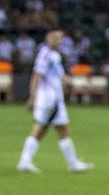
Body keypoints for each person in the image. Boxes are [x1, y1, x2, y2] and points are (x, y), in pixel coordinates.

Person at [16, 29, 92, 173]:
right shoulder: (45, 55)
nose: (58, 41)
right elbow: (36, 75)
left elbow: (61, 76)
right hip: (49, 99)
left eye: (60, 38)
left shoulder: (54, 56)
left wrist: (78, 82)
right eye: (55, 37)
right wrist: (33, 97)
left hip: (54, 99)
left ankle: (26, 161)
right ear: (48, 38)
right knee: (45, 128)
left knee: (51, 129)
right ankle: (71, 164)